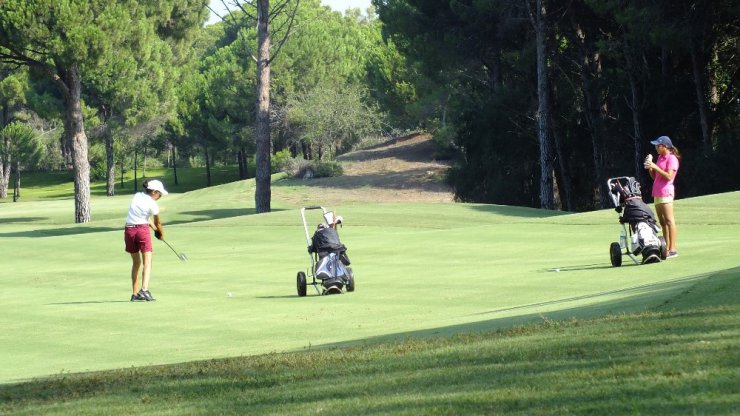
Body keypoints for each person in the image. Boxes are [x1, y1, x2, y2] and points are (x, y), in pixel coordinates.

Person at [124, 179, 168, 301]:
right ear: (154, 192)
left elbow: (144, 218)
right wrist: (160, 233)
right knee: (147, 262)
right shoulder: (153, 204)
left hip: (129, 230)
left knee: (136, 263)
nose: (159, 197)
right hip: (142, 231)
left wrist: (155, 230)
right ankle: (144, 290)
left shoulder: (137, 196)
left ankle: (135, 294)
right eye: (159, 194)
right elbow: (157, 222)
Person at [644, 135, 681, 258]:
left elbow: (669, 176)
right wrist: (651, 169)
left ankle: (673, 249)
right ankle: (666, 249)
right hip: (657, 192)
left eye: (658, 146)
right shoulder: (660, 158)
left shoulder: (672, 159)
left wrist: (655, 167)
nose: (656, 148)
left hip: (666, 192)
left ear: (665, 146)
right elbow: (656, 177)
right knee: (662, 222)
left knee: (670, 221)